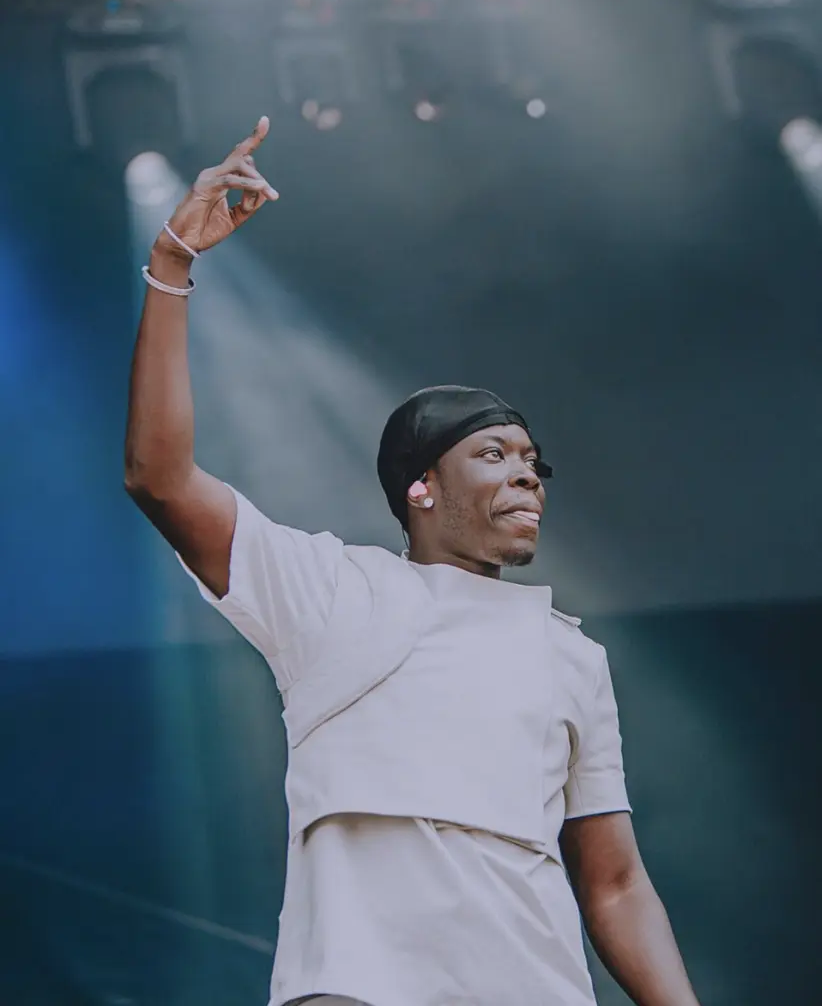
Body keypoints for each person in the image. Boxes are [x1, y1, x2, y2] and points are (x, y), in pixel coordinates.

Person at [125, 117, 701, 1006]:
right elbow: (160, 479)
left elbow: (616, 885)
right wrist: (171, 264)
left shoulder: (572, 656)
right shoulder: (329, 588)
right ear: (422, 486)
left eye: (533, 461)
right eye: (495, 453)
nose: (528, 474)